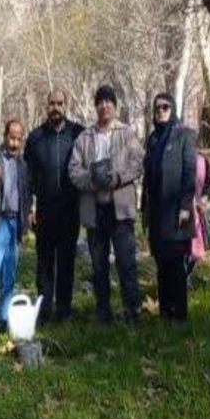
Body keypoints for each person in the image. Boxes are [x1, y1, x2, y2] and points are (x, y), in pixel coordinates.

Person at [69, 85, 144, 323]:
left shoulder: (127, 133)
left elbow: (139, 162)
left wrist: (119, 178)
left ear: (115, 105)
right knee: (99, 265)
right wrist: (91, 181)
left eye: (108, 102)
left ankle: (132, 310)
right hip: (95, 210)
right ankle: (103, 311)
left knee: (126, 262)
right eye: (100, 102)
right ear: (96, 106)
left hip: (120, 209)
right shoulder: (84, 137)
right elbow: (73, 170)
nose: (104, 106)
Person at [23, 90, 85, 323]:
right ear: (46, 106)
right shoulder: (35, 137)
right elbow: (27, 177)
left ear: (66, 105)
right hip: (45, 211)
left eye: (60, 103)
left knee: (67, 262)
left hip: (70, 210)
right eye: (52, 104)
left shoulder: (77, 134)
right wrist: (29, 207)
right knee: (44, 264)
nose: (56, 107)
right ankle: (45, 310)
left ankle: (64, 310)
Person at [141, 93, 197, 320]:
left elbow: (189, 171)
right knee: (161, 263)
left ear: (172, 109)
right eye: (157, 108)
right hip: (156, 213)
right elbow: (148, 176)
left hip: (177, 212)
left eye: (165, 107)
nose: (161, 111)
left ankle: (180, 314)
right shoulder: (153, 139)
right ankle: (165, 312)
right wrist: (144, 209)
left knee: (176, 264)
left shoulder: (184, 135)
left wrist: (185, 205)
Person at [0, 119, 30, 327]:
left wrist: (26, 222)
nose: (14, 143)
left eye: (18, 139)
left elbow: (26, 195)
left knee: (10, 273)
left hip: (16, 222)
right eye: (11, 138)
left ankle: (3, 317)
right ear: (5, 137)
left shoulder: (22, 165)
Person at [189, 151, 210, 277]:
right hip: (173, 215)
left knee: (194, 250)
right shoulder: (170, 155)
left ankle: (186, 278)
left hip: (195, 214)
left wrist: (205, 197)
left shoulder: (201, 159)